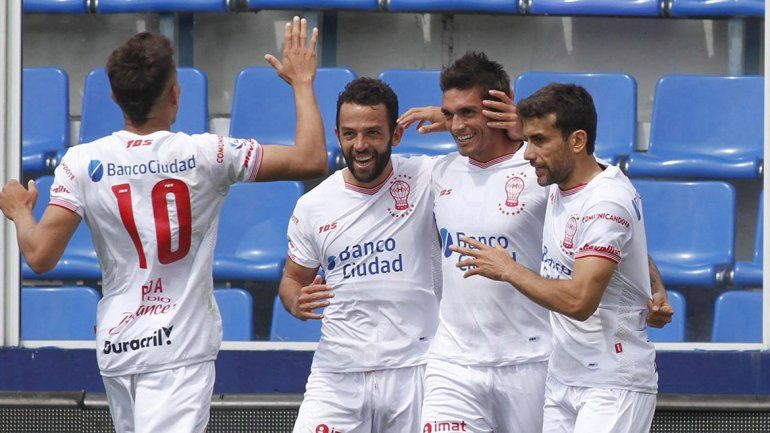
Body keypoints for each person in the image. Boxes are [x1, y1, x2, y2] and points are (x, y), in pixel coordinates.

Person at [0, 18, 326, 433]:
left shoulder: (79, 162)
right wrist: (301, 81)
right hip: (179, 351)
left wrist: (20, 211)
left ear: (115, 97)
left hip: (119, 347)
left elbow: (40, 256)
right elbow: (313, 157)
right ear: (175, 95)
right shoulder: (208, 154)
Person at [397, 52, 672, 433]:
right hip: (455, 362)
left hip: (535, 361)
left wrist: (652, 286)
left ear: (496, 109)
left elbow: (609, 231)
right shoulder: (437, 171)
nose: (457, 124)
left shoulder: (547, 173)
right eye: (449, 113)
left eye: (467, 113)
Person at [452, 83, 659, 433]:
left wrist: (509, 270)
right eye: (527, 139)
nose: (528, 153)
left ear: (577, 141)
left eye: (539, 141)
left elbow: (579, 301)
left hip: (611, 383)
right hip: (564, 377)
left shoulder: (606, 203)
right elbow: (629, 246)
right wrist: (654, 285)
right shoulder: (565, 183)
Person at [278, 77, 441, 433]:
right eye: (350, 134)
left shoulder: (427, 177)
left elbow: (497, 159)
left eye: (372, 133)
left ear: (395, 136)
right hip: (338, 373)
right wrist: (295, 302)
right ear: (337, 135)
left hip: (416, 368)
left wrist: (451, 117)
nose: (360, 145)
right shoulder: (313, 205)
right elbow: (292, 280)